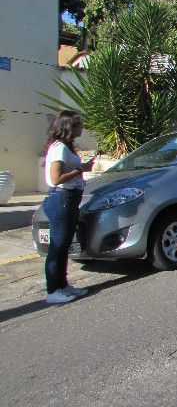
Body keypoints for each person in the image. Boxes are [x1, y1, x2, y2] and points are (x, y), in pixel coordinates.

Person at [42, 111, 95, 304]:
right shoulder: (59, 149)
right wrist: (80, 170)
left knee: (63, 245)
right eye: (78, 124)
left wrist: (83, 168)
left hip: (69, 199)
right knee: (57, 246)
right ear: (69, 126)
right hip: (62, 198)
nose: (81, 127)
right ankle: (52, 291)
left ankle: (62, 285)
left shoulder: (65, 147)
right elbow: (56, 178)